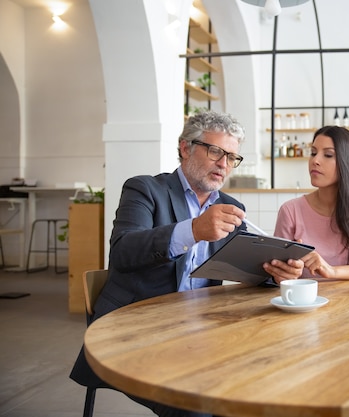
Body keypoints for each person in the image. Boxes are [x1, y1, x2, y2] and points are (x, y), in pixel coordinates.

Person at [70, 111, 304, 417]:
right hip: (136, 329)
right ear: (185, 148)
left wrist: (277, 272)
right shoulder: (145, 189)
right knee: (198, 408)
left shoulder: (231, 207)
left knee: (258, 386)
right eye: (215, 151)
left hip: (203, 331)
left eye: (232, 157)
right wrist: (193, 230)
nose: (224, 164)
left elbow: (247, 268)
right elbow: (124, 252)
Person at [274, 125, 349, 280]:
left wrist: (331, 271)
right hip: (308, 303)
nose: (315, 160)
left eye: (328, 155)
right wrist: (284, 274)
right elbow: (277, 274)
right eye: (313, 153)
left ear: (346, 162)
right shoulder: (290, 211)